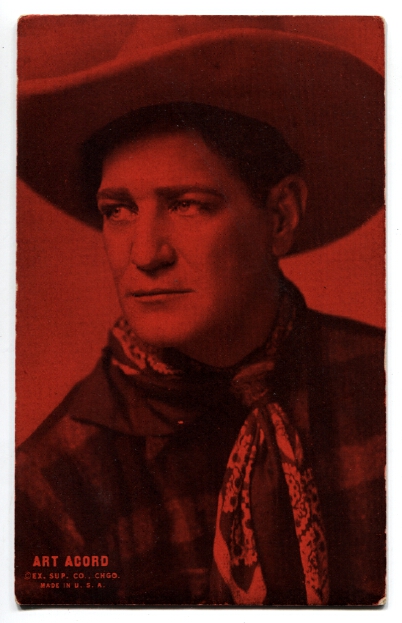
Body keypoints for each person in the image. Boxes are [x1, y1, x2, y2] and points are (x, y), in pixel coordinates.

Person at [15, 18, 385, 606]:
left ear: (281, 215)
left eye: (187, 204)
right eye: (118, 210)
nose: (145, 255)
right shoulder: (53, 484)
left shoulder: (383, 390)